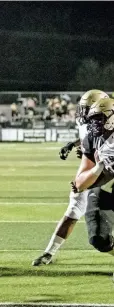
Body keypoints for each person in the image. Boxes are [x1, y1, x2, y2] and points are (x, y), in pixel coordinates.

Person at [32, 90, 109, 266]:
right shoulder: (89, 124)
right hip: (95, 172)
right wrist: (74, 145)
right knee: (74, 208)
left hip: (107, 175)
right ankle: (49, 252)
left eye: (89, 108)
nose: (85, 113)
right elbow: (88, 138)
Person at [73, 98, 114, 268]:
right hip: (104, 189)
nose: (95, 123)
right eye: (93, 119)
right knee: (98, 238)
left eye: (99, 118)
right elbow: (80, 183)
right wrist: (97, 169)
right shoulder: (92, 139)